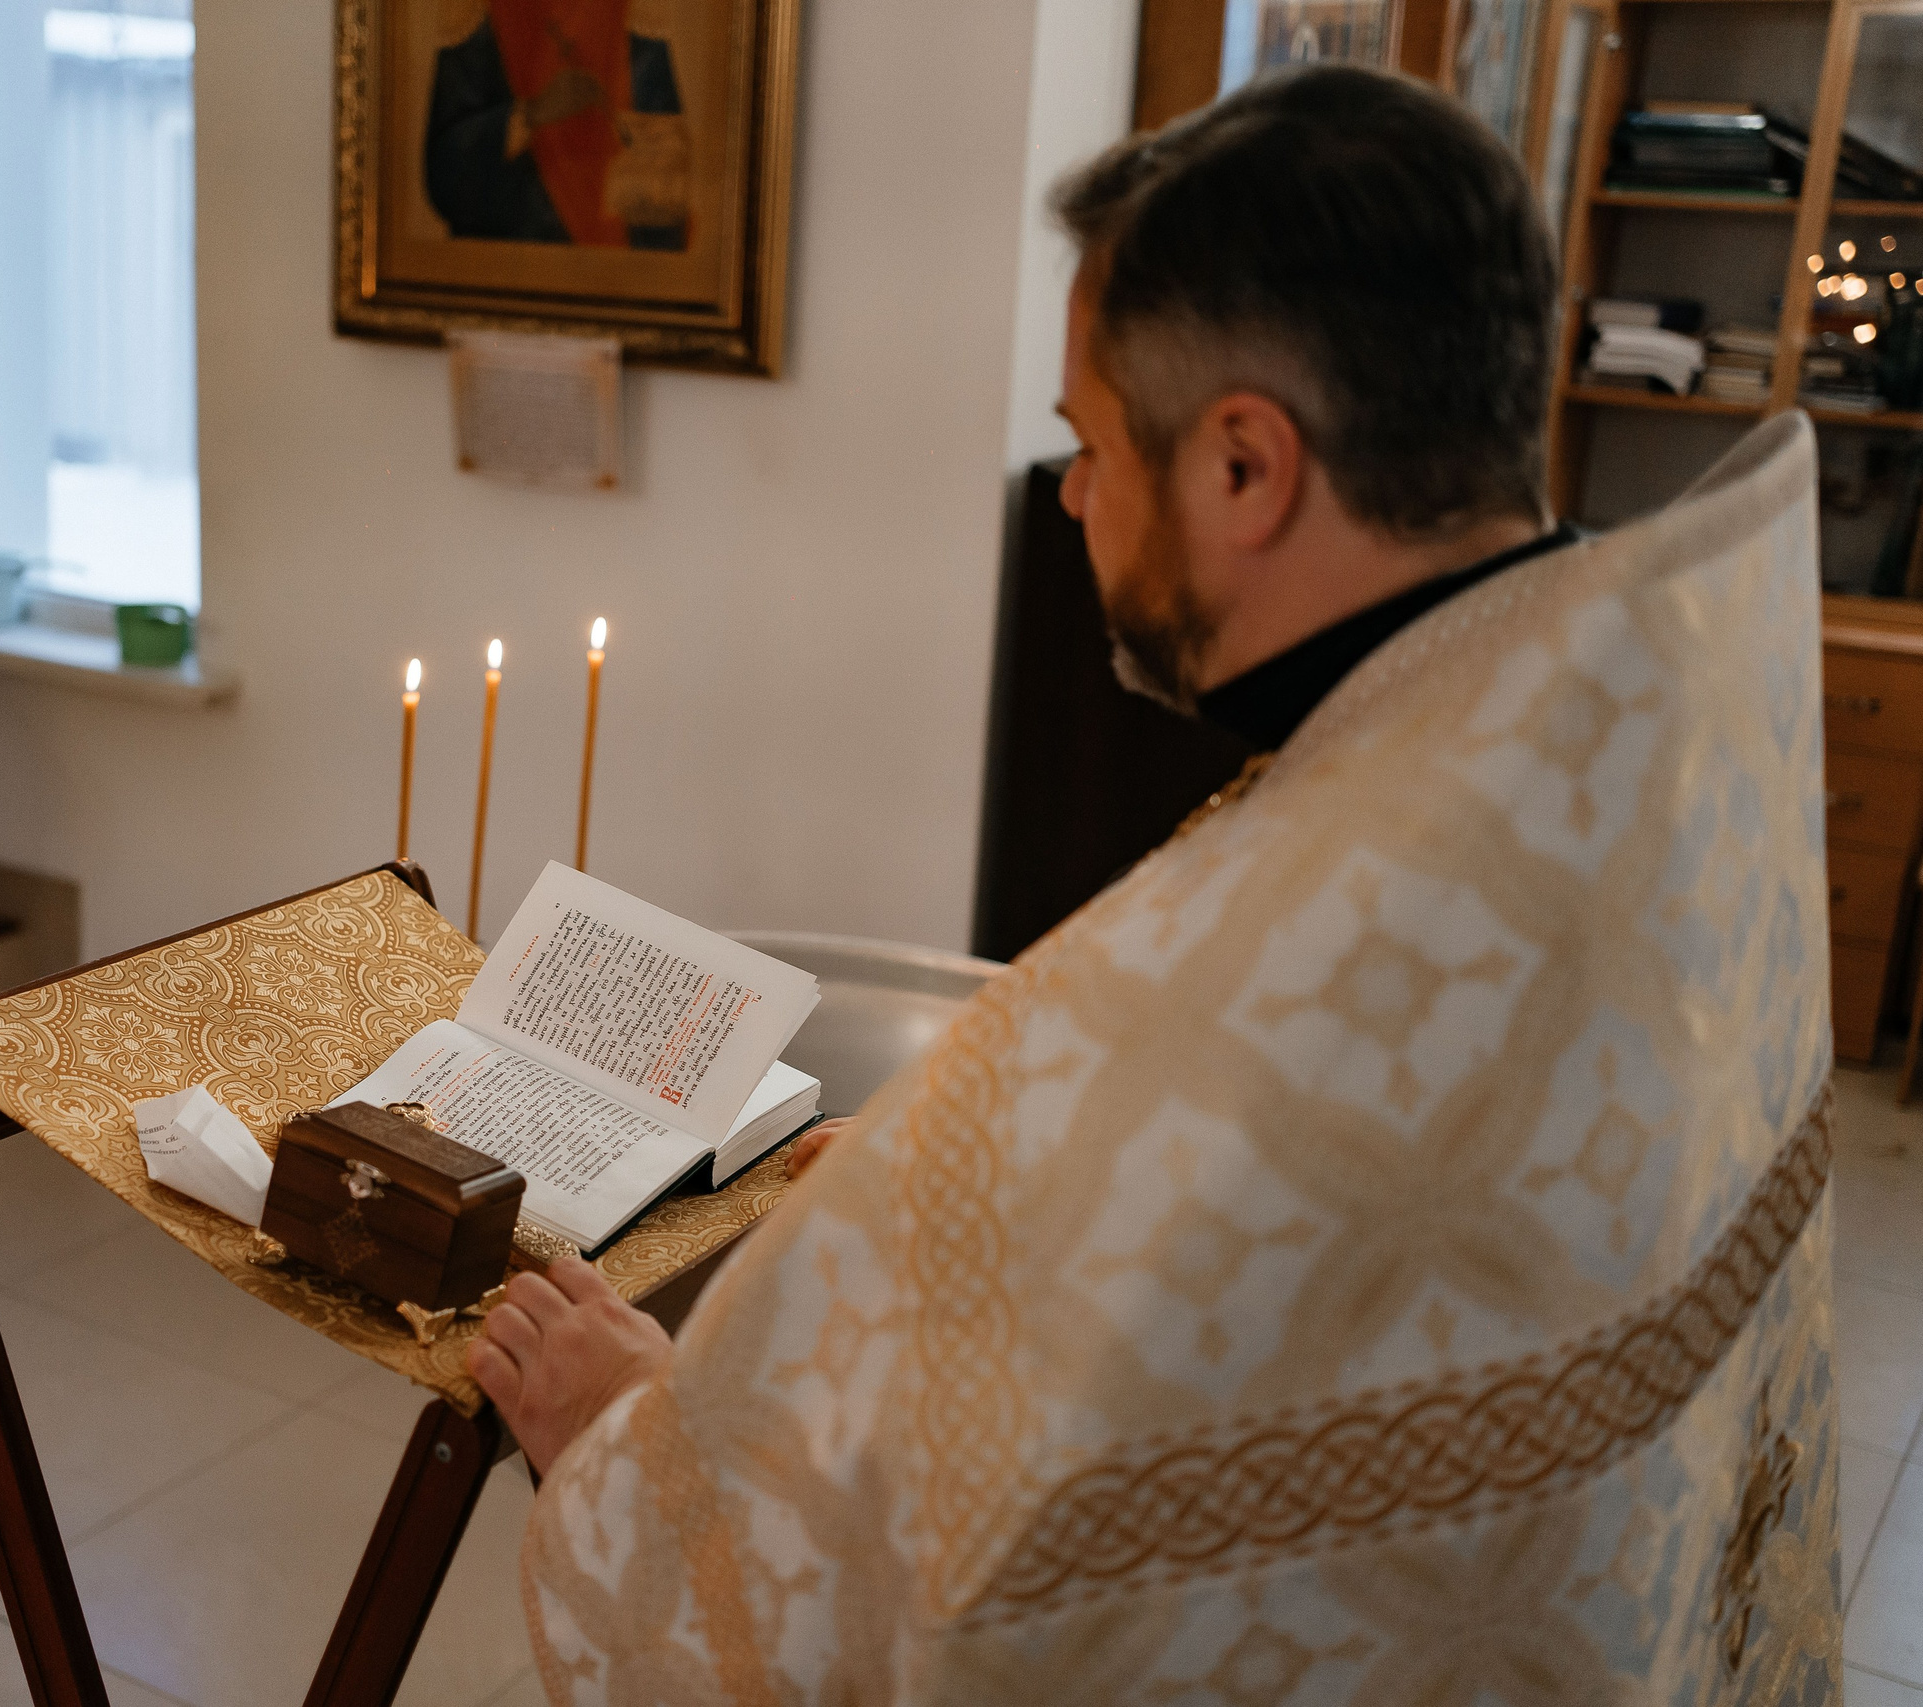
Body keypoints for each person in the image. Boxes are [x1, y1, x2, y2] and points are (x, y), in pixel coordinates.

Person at [469, 63, 1843, 1702]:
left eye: (1091, 440)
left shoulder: (1177, 1033)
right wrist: (943, 1226)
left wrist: (633, 1432)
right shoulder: (1648, 752)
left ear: (1248, 467)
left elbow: (772, 1588)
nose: (1074, 496)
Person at [424, 0, 688, 251]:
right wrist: (531, 114)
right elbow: (445, 177)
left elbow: (670, 193)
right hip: (506, 268)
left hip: (614, 273)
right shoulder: (478, 15)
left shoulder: (635, 18)